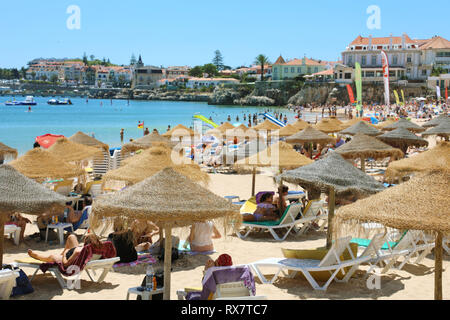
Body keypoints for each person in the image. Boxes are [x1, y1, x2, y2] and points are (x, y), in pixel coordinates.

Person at [27, 233, 110, 268]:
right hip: (75, 252)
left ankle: (36, 256)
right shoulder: (98, 249)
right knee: (71, 237)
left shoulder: (78, 252)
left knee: (51, 257)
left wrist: (65, 254)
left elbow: (66, 264)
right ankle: (61, 254)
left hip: (69, 257)